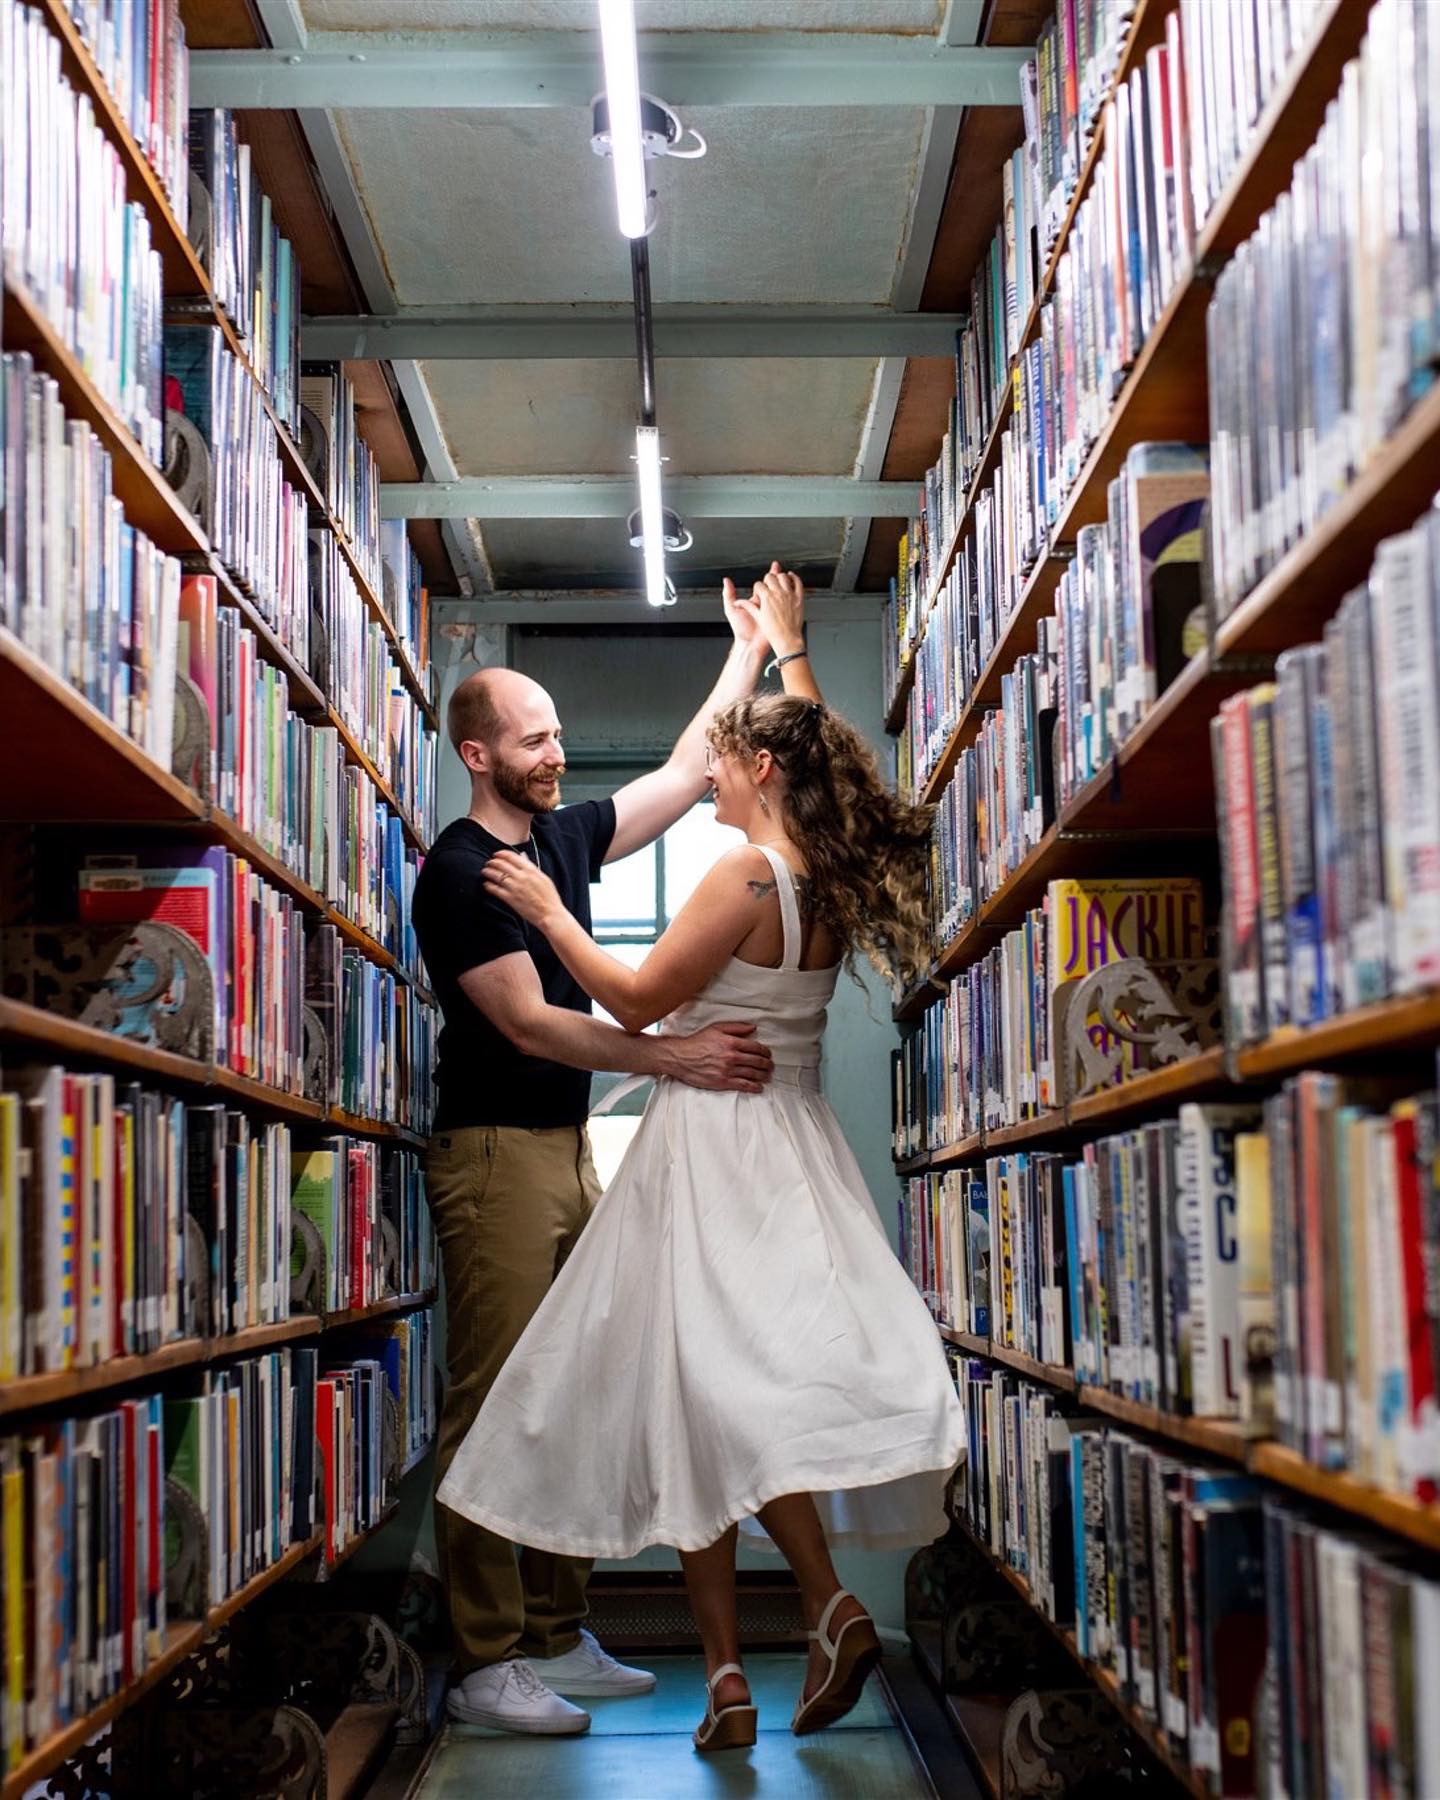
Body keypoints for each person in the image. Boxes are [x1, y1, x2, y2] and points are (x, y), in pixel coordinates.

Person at [437, 568, 966, 1751]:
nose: (705, 776)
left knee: (706, 1392)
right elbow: (712, 768)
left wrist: (554, 915)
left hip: (711, 1148)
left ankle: (761, 1638)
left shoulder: (716, 871)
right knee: (685, 1390)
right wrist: (774, 652)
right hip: (764, 1141)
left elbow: (632, 976)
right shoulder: (821, 870)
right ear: (483, 755)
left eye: (730, 761)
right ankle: (699, 1662)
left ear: (764, 773)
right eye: (538, 735)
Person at [412, 590, 781, 1738]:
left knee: (571, 1383)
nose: (557, 752)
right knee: (495, 1405)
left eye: (559, 732)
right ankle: (483, 1661)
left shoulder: (563, 837)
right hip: (494, 1158)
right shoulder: (460, 871)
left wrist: (749, 652)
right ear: (479, 756)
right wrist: (669, 1057)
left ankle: (552, 1633)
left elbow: (682, 770)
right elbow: (527, 1024)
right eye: (534, 738)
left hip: (565, 1150)